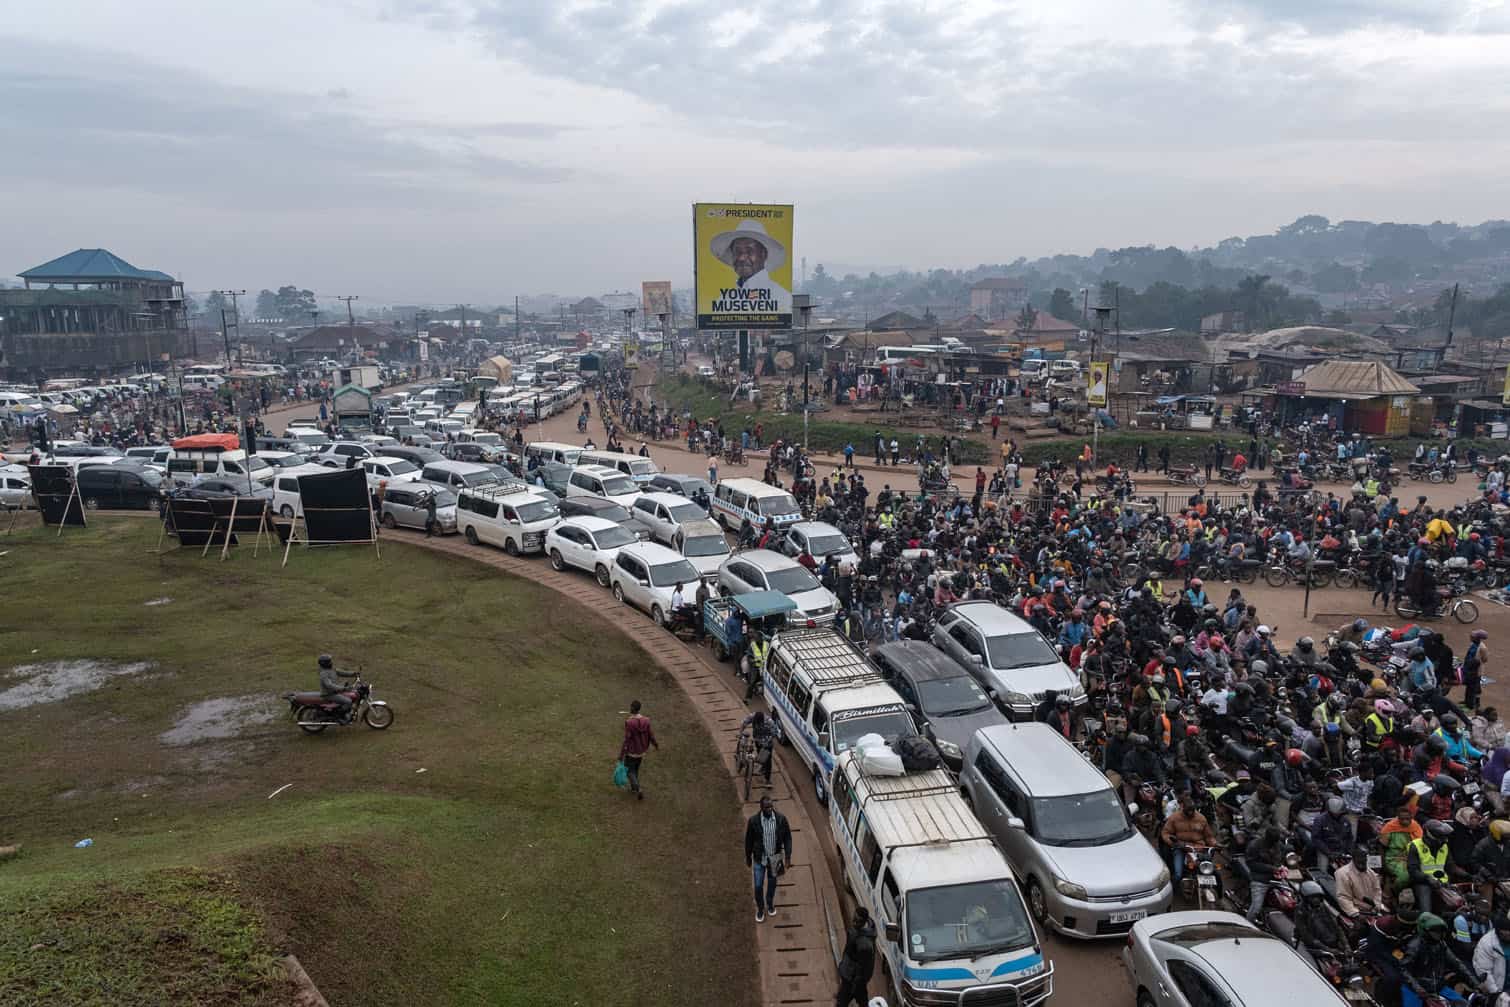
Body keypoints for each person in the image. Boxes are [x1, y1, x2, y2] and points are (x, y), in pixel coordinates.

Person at [708, 217, 792, 312]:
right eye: (737, 251)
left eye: (750, 251)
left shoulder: (782, 298)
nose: (742, 258)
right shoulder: (724, 301)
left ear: (763, 254)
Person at [744, 795, 792, 924]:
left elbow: (788, 837)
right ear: (761, 808)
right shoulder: (753, 821)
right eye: (767, 807)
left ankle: (770, 904)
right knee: (758, 886)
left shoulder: (781, 819)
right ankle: (760, 908)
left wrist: (787, 857)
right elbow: (748, 840)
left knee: (772, 883)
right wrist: (748, 857)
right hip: (759, 859)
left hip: (775, 858)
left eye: (771, 806)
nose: (770, 809)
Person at [1160, 792, 1218, 884]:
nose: (1190, 813)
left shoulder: (1201, 818)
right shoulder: (1174, 818)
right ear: (1183, 808)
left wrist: (1215, 844)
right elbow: (1166, 833)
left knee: (1212, 871)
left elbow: (1209, 836)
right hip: (1181, 848)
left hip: (1198, 849)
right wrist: (1174, 843)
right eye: (1188, 810)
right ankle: (1172, 890)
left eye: (1192, 810)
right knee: (1178, 874)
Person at [835, 906, 878, 1007]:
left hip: (852, 979)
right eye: (854, 918)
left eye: (857, 921)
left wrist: (854, 983)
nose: (854, 922)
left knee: (842, 1002)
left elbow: (861, 967)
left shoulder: (863, 944)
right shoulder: (866, 928)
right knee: (862, 1000)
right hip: (853, 976)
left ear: (863, 922)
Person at [618, 700, 659, 800]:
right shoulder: (646, 720)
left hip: (632, 751)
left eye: (630, 707)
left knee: (629, 771)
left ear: (632, 708)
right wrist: (655, 744)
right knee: (635, 769)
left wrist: (621, 754)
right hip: (642, 751)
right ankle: (633, 789)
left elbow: (627, 740)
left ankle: (638, 788)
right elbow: (651, 735)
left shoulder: (629, 722)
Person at [1335, 845, 1385, 917]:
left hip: (1372, 910)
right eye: (1359, 861)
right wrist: (1355, 914)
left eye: (1364, 860)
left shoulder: (1371, 873)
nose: (1362, 865)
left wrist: (1377, 905)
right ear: (1354, 858)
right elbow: (1343, 897)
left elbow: (1377, 890)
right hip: (1356, 911)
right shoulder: (1342, 874)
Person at [316, 653, 357, 722]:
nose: (331, 662)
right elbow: (329, 685)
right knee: (348, 701)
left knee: (349, 697)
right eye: (329, 661)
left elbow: (341, 672)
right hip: (329, 694)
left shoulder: (331, 669)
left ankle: (343, 713)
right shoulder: (323, 674)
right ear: (325, 663)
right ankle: (339, 717)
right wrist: (343, 688)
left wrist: (353, 673)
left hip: (334, 692)